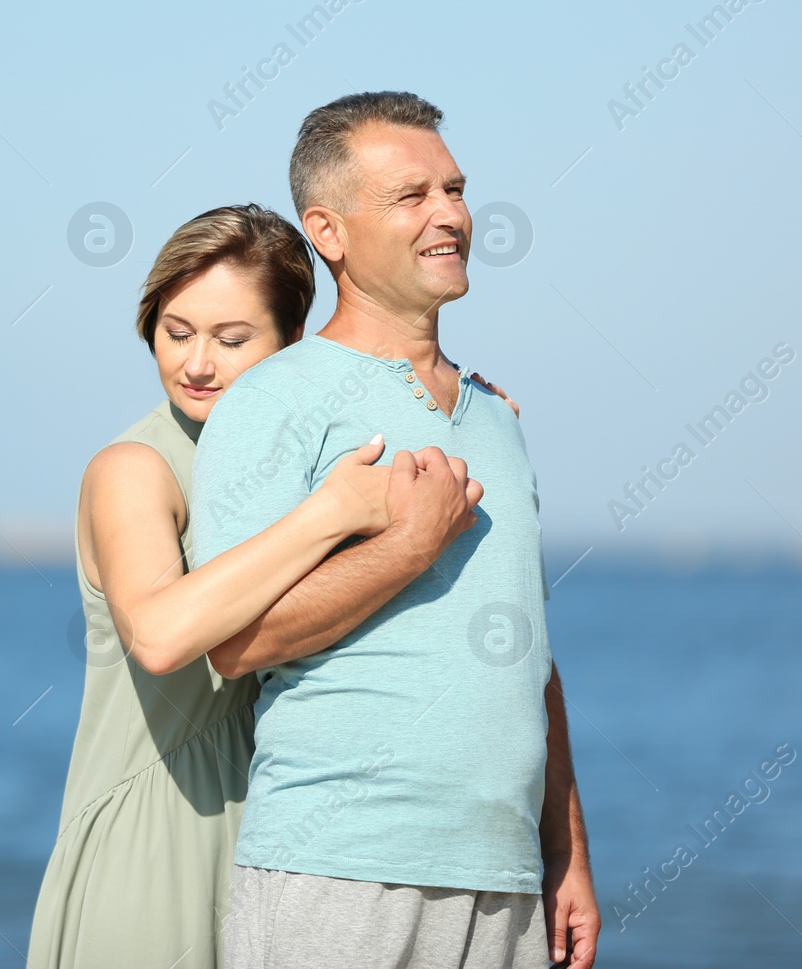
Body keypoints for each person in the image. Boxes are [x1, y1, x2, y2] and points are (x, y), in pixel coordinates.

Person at [26, 204, 505, 968]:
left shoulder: (311, 450)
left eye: (232, 338)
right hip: (153, 842)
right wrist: (331, 513)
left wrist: (463, 411)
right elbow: (159, 635)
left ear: (291, 345)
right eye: (175, 331)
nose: (196, 363)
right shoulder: (134, 470)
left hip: (290, 840)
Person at [191, 94, 601, 968]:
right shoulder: (272, 401)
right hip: (339, 873)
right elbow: (230, 645)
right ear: (328, 232)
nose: (451, 214)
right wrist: (409, 547)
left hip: (506, 880)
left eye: (454, 189)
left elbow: (531, 652)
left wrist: (566, 847)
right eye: (412, 196)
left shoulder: (498, 415)